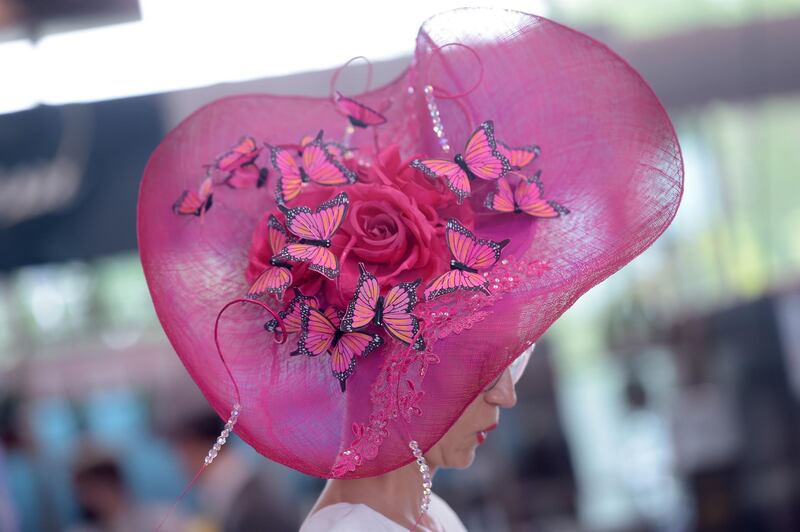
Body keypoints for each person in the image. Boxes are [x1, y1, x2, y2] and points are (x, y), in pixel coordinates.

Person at [138, 7, 683, 530]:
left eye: (503, 364)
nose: (506, 395)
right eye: (483, 361)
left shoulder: (430, 516)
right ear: (404, 363)